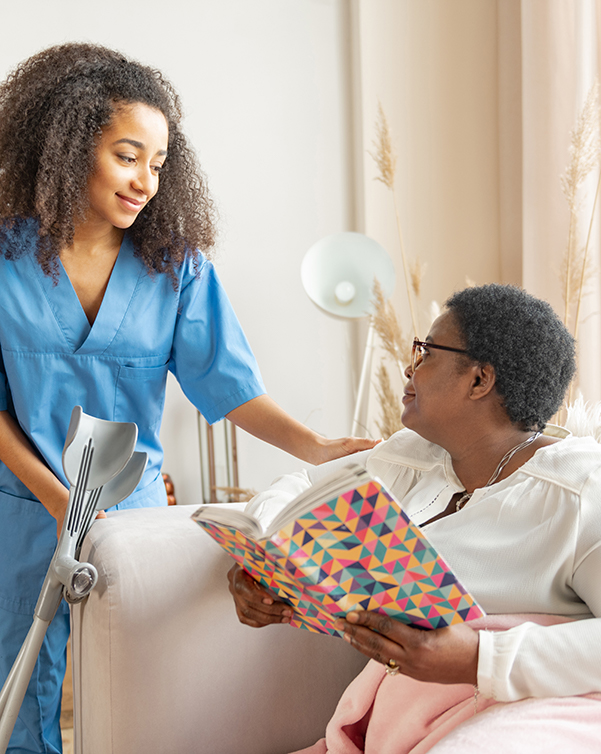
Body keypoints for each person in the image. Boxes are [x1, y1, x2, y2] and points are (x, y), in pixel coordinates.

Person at [0, 43, 375, 754]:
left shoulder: (175, 268)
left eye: (159, 162)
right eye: (127, 155)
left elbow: (229, 387)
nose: (145, 179)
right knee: (22, 694)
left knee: (141, 691)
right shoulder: (3, 259)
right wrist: (56, 501)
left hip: (129, 515)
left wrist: (318, 447)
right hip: (19, 507)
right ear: (70, 146)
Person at [228, 283, 601, 752]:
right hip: (412, 718)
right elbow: (299, 490)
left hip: (539, 715)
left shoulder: (582, 490)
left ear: (479, 380)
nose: (409, 367)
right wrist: (264, 565)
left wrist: (480, 659)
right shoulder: (411, 457)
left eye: (425, 352)